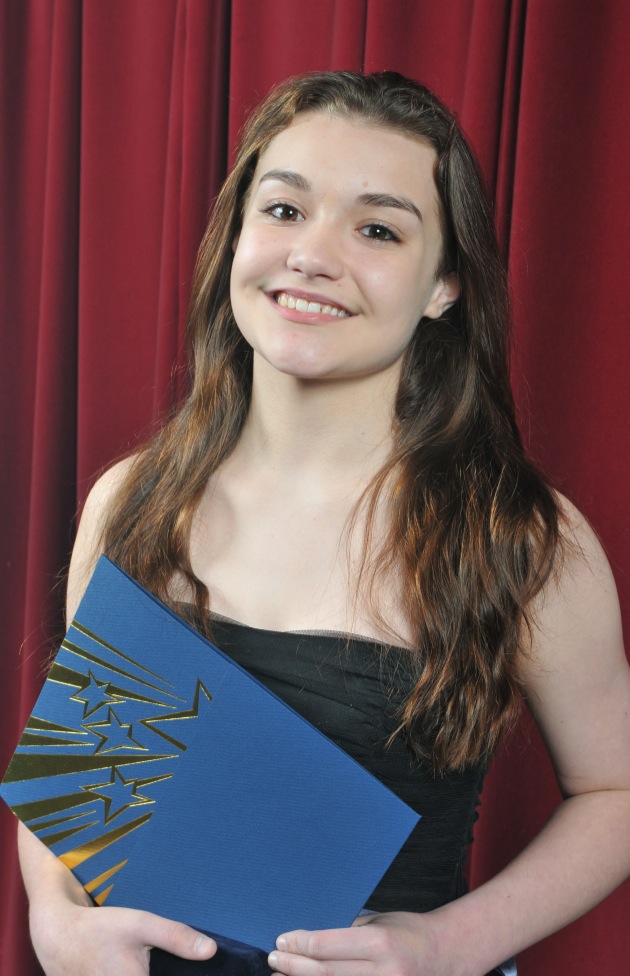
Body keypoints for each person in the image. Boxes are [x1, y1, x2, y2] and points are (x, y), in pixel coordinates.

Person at [17, 71, 630, 976]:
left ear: (445, 285)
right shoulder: (131, 501)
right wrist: (51, 915)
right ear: (237, 237)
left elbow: (617, 789)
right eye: (284, 210)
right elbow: (77, 772)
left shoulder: (523, 539)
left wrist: (448, 944)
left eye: (377, 229)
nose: (312, 255)